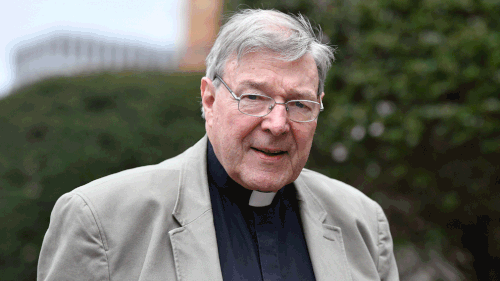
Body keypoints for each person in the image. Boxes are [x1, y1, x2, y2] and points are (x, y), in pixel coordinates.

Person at [38, 9, 399, 281]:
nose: (277, 124)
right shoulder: (101, 220)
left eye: (299, 105)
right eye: (254, 97)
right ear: (209, 100)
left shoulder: (362, 222)